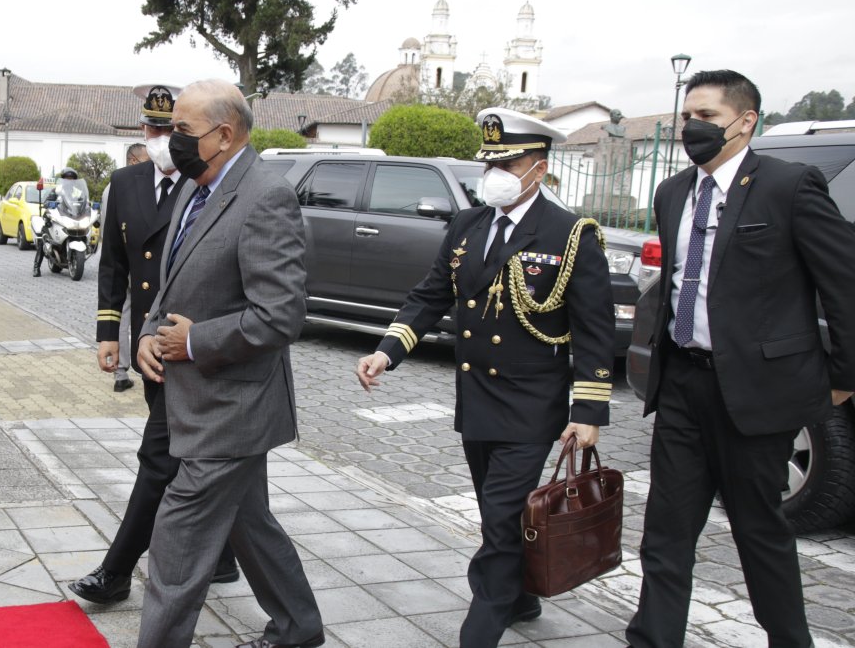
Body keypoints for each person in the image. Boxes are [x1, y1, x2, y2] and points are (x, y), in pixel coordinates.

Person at [356, 107, 615, 648]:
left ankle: (479, 632)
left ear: (538, 169)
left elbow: (594, 328)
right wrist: (387, 351)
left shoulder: (570, 234)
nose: (492, 174)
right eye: (488, 162)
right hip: (477, 400)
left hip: (531, 405)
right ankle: (521, 595)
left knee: (499, 521)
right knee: (497, 512)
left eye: (508, 163)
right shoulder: (468, 224)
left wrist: (587, 412)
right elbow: (431, 295)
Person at [626, 69, 855, 648]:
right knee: (666, 533)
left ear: (745, 121)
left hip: (756, 395)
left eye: (706, 117)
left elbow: (844, 285)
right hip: (682, 385)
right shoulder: (673, 192)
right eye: (686, 117)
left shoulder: (789, 185)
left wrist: (842, 380)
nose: (692, 128)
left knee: (760, 532)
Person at [134, 79, 323, 648]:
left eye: (182, 131)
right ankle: (299, 627)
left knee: (176, 543)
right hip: (195, 398)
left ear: (223, 134)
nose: (171, 141)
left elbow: (281, 315)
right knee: (249, 523)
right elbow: (173, 288)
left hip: (233, 406)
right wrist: (148, 332)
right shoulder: (197, 187)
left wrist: (192, 343)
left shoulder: (265, 195)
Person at [70, 85, 239, 607]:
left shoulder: (204, 185)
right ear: (142, 132)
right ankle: (228, 556)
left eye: (173, 131)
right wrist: (109, 335)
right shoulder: (126, 183)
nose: (163, 140)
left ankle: (116, 571)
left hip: (190, 344)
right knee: (212, 463)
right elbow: (115, 265)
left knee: (161, 457)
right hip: (150, 343)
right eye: (155, 130)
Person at [98, 142, 150, 392]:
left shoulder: (113, 187)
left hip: (133, 263)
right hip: (129, 263)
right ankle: (124, 368)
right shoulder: (119, 186)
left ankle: (122, 372)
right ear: (132, 160)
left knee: (126, 314)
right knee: (123, 313)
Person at [32, 167, 81, 277]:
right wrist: (50, 203)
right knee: (44, 237)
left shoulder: (77, 192)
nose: (69, 180)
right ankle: (36, 266)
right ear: (63, 179)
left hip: (71, 219)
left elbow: (84, 203)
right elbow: (46, 202)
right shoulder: (57, 190)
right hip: (56, 219)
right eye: (67, 178)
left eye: (72, 178)